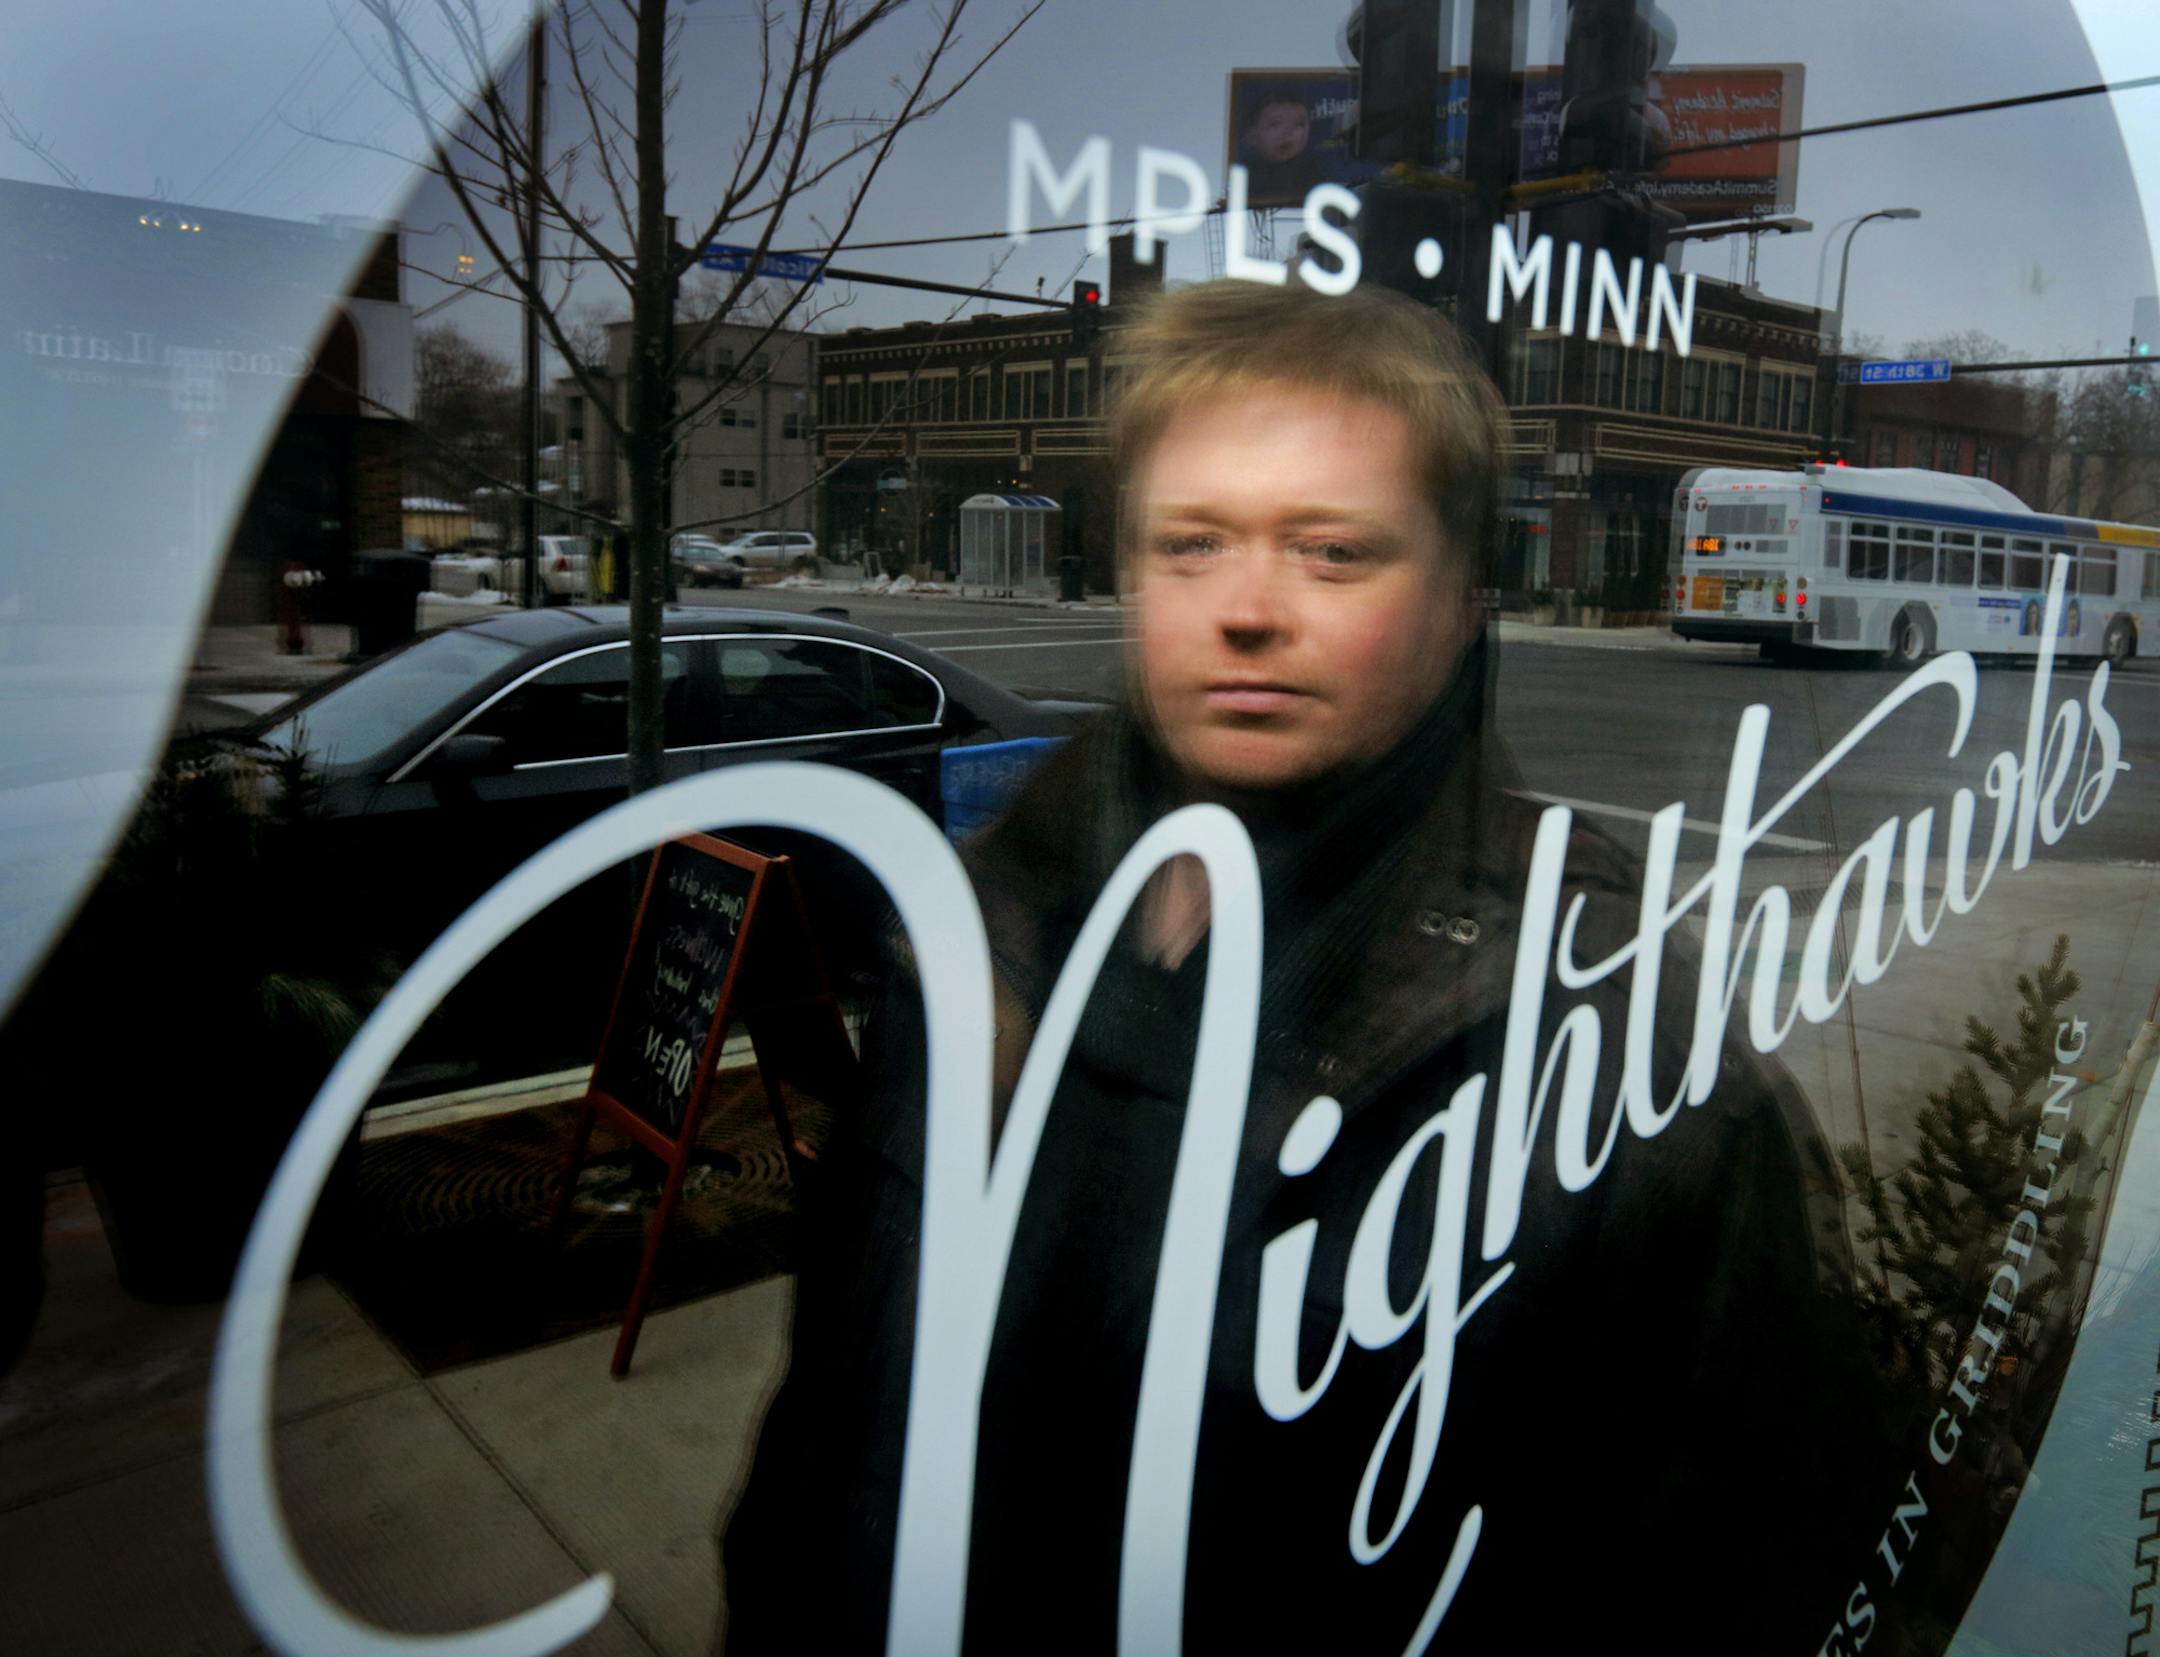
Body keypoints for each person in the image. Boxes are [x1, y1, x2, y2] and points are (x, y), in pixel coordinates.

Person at [720, 279, 1890, 1653]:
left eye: (1332, 551)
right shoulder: (992, 917)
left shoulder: (1598, 1023)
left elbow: (1722, 1568)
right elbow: (834, 1422)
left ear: (1460, 598)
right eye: (1193, 543)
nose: (1247, 608)